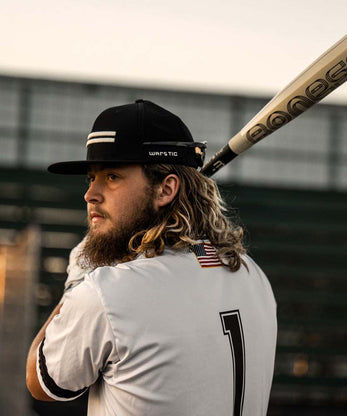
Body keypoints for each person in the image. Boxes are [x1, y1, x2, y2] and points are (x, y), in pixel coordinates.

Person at [26, 99, 277, 416]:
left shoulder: (106, 292)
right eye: (92, 177)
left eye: (113, 176)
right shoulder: (252, 274)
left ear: (165, 189)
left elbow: (41, 382)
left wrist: (80, 279)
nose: (90, 194)